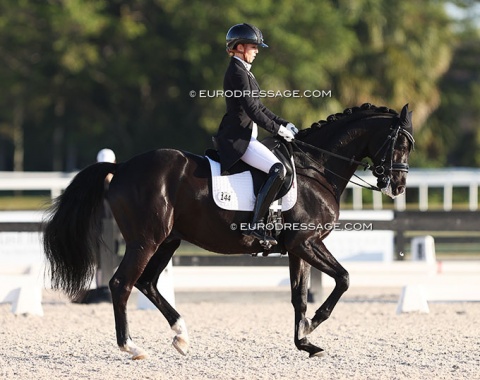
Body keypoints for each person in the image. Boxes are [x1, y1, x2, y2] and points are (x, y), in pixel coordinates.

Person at [214, 23, 298, 246]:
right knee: (278, 170)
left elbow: (259, 108)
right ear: (239, 47)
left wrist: (284, 123)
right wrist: (277, 130)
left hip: (248, 136)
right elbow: (251, 110)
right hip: (239, 140)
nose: (257, 51)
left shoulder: (244, 71)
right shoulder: (237, 72)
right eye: (253, 46)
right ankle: (256, 223)